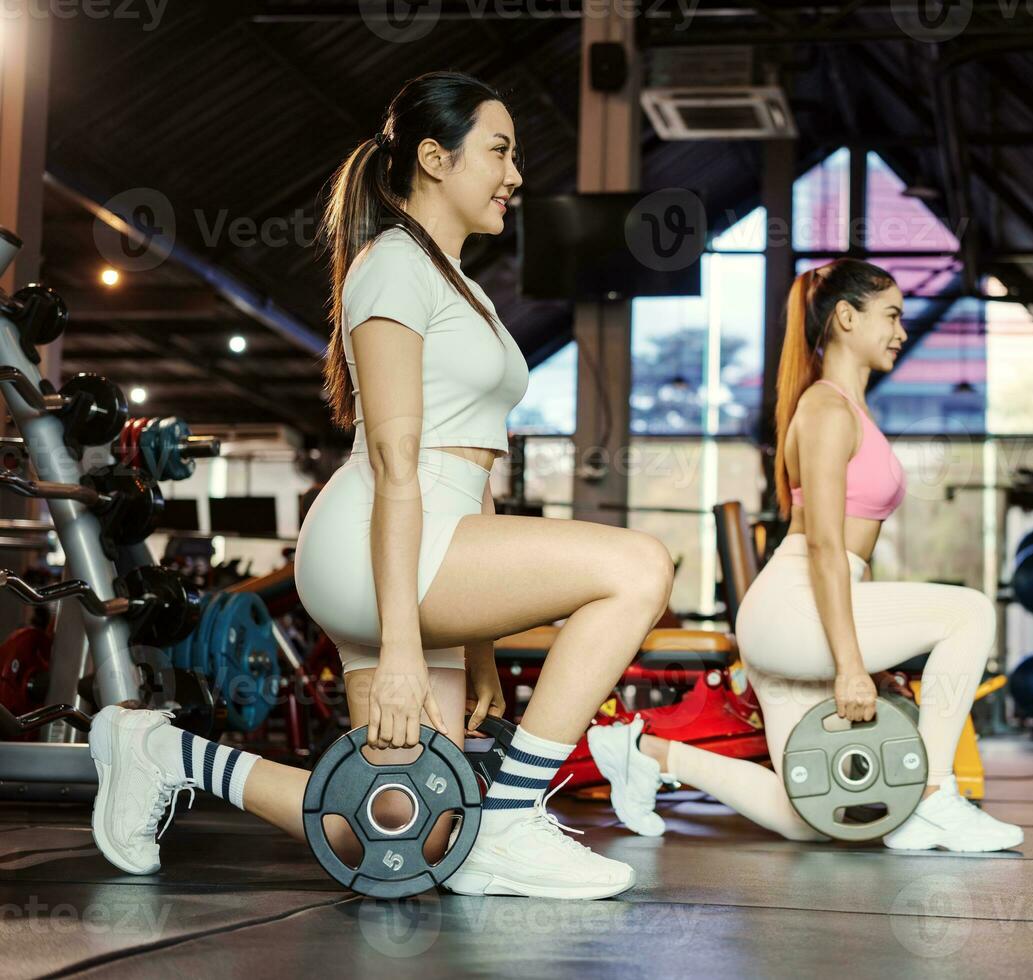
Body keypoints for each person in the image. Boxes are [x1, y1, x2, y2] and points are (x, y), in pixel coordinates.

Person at [86, 71, 674, 900]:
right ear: (435, 158)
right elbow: (399, 461)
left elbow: (477, 480)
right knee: (639, 566)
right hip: (385, 540)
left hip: (431, 546)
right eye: (500, 151)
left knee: (407, 834)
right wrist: (402, 646)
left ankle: (162, 753)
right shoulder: (393, 264)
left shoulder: (460, 285)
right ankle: (510, 821)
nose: (515, 175)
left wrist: (479, 652)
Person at [587, 260, 1023, 852]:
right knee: (970, 612)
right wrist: (850, 663)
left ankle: (642, 752)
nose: (901, 331)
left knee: (809, 811)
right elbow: (823, 543)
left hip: (801, 613)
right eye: (891, 315)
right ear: (846, 317)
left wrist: (869, 644)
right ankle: (933, 797)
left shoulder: (847, 408)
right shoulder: (825, 408)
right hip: (795, 608)